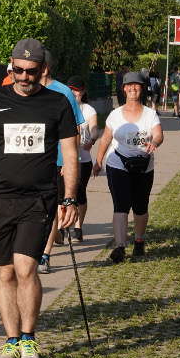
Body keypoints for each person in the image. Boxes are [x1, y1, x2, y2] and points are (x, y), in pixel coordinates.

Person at [0, 38, 79, 358]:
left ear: (43, 71)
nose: (24, 77)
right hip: (1, 199)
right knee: (5, 271)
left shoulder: (57, 103)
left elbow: (70, 154)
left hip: (39, 199)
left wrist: (69, 197)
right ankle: (11, 341)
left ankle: (28, 338)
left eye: (32, 72)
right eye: (18, 70)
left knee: (26, 267)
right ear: (10, 66)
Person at [93, 72, 163, 263]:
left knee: (140, 206)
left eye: (137, 85)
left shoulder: (150, 114)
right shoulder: (115, 115)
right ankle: (120, 247)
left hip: (143, 166)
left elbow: (158, 135)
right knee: (121, 205)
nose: (132, 88)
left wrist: (154, 142)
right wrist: (98, 161)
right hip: (118, 164)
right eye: (129, 85)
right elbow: (106, 138)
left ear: (142, 89)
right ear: (123, 88)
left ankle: (139, 241)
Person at [36, 49, 84, 274]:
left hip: (56, 161)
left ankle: (44, 256)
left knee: (52, 209)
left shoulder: (63, 92)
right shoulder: (25, 91)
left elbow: (74, 130)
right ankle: (48, 238)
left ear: (44, 68)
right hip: (31, 163)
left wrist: (68, 160)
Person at [66, 76, 97, 242]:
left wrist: (92, 139)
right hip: (64, 159)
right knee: (62, 193)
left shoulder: (88, 110)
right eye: (70, 89)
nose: (73, 93)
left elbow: (94, 127)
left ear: (83, 92)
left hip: (83, 159)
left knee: (80, 192)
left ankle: (78, 226)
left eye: (76, 90)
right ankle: (63, 225)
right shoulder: (62, 107)